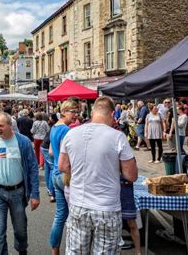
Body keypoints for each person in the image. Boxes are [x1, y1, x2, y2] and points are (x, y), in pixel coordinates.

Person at [58, 96, 138, 254]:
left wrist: (83, 172)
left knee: (76, 251)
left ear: (93, 111)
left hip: (79, 204)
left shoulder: (72, 134)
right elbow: (131, 175)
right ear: (112, 114)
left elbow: (62, 166)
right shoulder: (117, 137)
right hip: (106, 207)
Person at [0, 112, 40, 255]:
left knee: (20, 229)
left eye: (1, 125)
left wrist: (35, 194)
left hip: (18, 192)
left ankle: (21, 249)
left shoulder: (23, 142)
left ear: (10, 125)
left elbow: (33, 168)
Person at [49, 100, 78, 255]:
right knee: (74, 216)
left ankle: (55, 250)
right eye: (73, 111)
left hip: (55, 174)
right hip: (65, 176)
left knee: (60, 216)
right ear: (65, 111)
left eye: (77, 111)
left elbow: (52, 152)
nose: (76, 115)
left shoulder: (54, 127)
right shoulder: (67, 130)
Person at [41, 114, 59, 203]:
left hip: (44, 146)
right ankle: (51, 192)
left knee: (48, 167)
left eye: (50, 118)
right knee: (52, 168)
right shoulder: (56, 127)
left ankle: (49, 188)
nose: (49, 119)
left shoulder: (53, 127)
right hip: (46, 147)